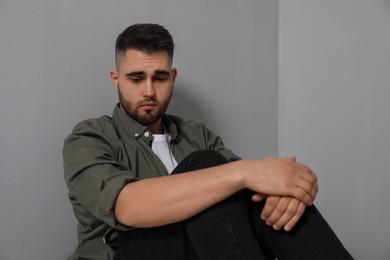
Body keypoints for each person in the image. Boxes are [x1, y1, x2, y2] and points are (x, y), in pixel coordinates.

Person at [63, 23, 353, 260]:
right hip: (128, 253)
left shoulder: (196, 134)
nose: (149, 91)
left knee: (264, 197)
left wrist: (291, 188)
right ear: (116, 79)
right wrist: (245, 172)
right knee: (206, 168)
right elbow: (127, 207)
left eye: (160, 78)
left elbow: (252, 193)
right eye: (136, 79)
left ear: (173, 77)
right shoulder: (89, 137)